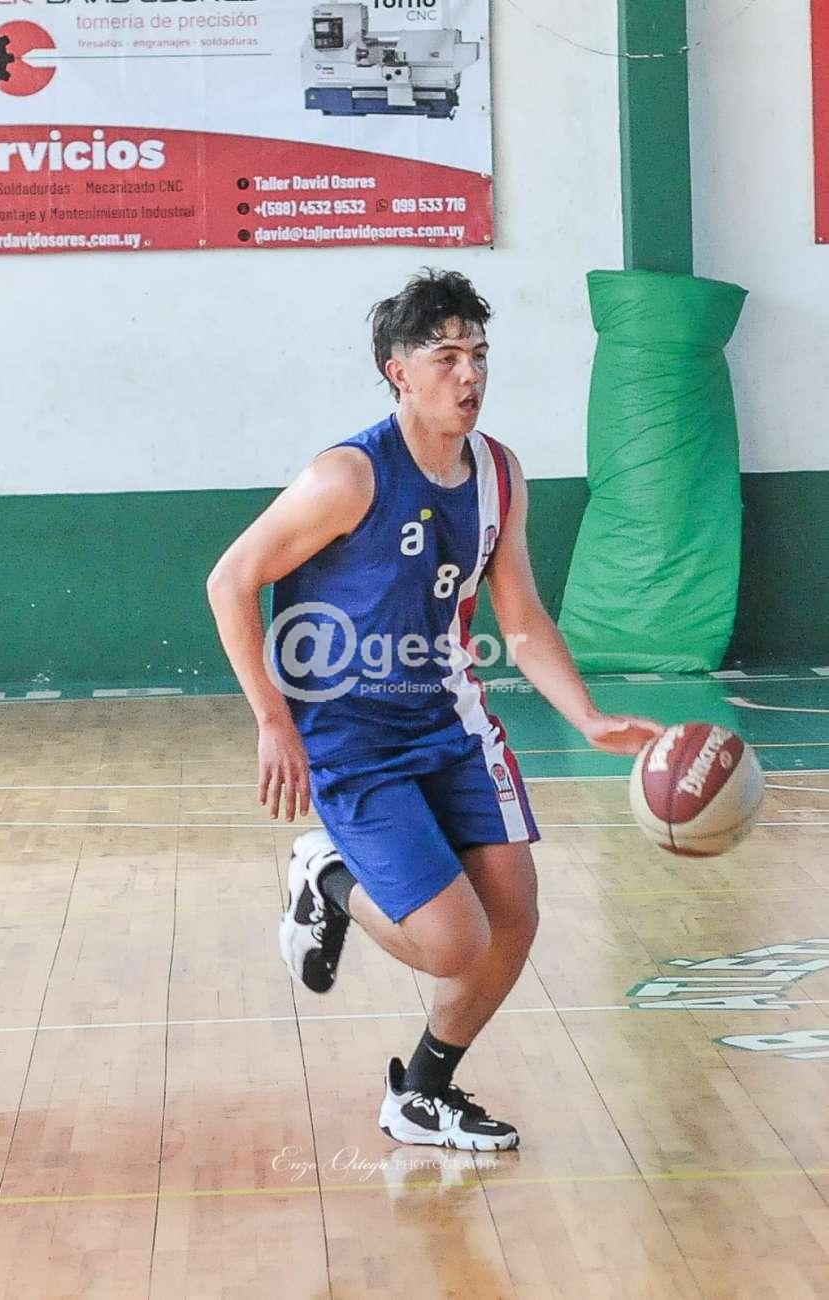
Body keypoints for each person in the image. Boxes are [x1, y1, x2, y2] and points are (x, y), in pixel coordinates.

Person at [207, 269, 663, 1151]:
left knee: (514, 919)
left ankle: (422, 1092)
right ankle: (326, 875)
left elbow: (519, 618)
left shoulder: (498, 474)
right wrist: (271, 720)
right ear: (398, 372)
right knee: (455, 942)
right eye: (446, 356)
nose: (469, 374)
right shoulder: (347, 476)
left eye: (479, 354)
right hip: (350, 735)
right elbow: (230, 581)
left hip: (451, 724)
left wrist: (586, 716)